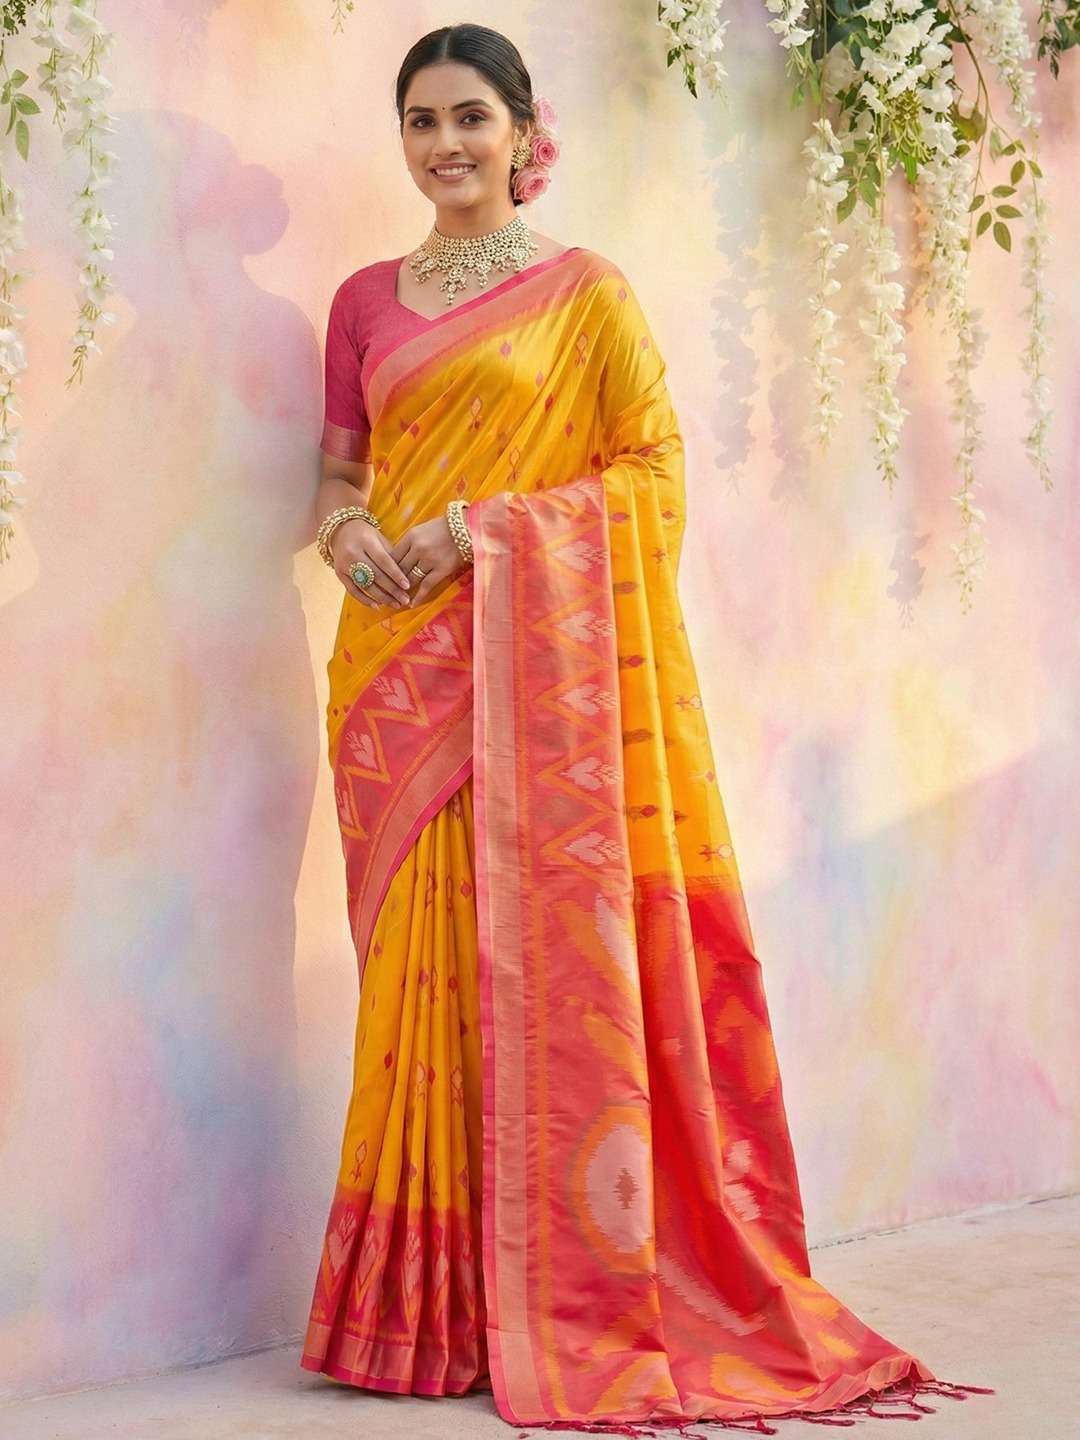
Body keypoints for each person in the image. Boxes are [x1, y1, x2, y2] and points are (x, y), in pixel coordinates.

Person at [299, 21, 992, 1435]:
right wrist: (352, 535)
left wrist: (474, 530)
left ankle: (558, 1295)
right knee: (417, 989)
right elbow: (337, 484)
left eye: (471, 117)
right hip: (396, 683)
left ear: (522, 129)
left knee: (541, 973)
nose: (446, 144)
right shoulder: (363, 301)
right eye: (423, 121)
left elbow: (651, 478)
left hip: (530, 688)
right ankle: (423, 1314)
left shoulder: (588, 295)